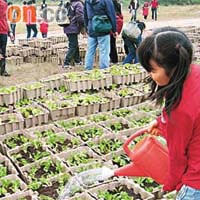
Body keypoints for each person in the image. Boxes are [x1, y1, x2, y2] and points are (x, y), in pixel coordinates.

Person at [137, 26, 200, 199]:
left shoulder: (180, 110)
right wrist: (162, 121)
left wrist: (171, 184)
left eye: (153, 70)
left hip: (196, 183)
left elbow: (177, 157)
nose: (151, 75)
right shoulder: (194, 72)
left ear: (173, 67)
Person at [84, 0, 117, 70]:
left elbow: (85, 15)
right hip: (103, 28)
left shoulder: (87, 1)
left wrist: (87, 27)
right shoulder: (106, 1)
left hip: (91, 27)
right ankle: (104, 69)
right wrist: (114, 30)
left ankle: (88, 69)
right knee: (104, 51)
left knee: (90, 50)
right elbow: (111, 14)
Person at [63, 0, 84, 68]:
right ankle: (66, 63)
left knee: (75, 44)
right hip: (73, 28)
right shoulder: (78, 4)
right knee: (73, 46)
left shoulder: (68, 4)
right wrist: (83, 27)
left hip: (67, 27)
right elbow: (80, 17)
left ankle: (77, 61)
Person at [0, 0, 14, 76]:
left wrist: (10, 32)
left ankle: (2, 70)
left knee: (2, 53)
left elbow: (6, 19)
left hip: (4, 32)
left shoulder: (4, 4)